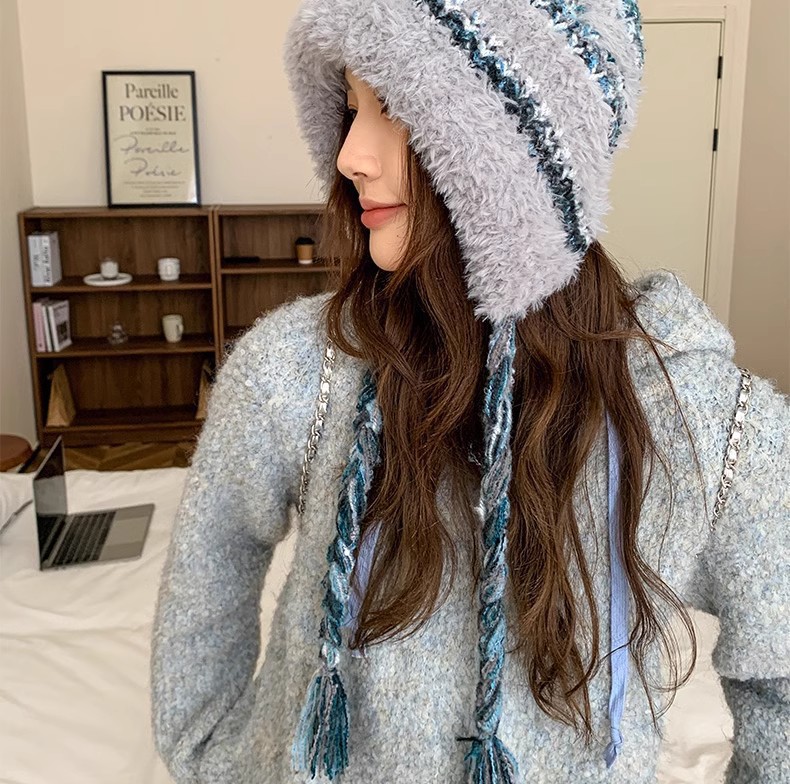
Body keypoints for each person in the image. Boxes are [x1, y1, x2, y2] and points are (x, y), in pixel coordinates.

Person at [150, 1, 790, 782]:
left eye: (394, 105)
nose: (350, 155)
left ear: (516, 145)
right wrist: (216, 753)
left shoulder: (702, 417)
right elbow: (211, 568)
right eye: (352, 107)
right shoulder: (298, 369)